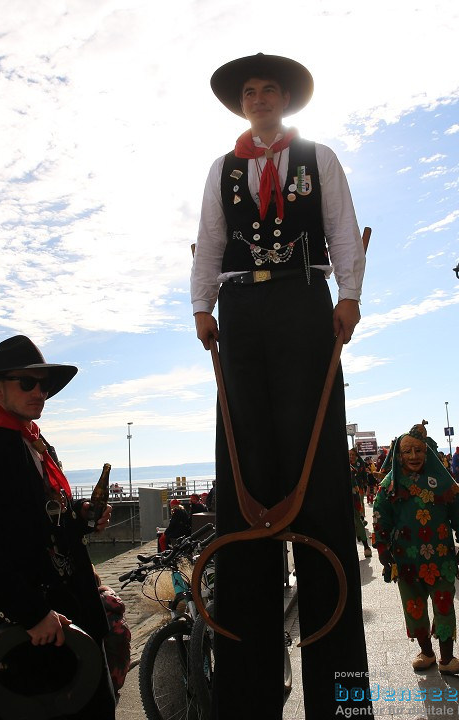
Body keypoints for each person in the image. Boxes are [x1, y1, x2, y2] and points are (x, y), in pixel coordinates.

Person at [189, 52, 371, 718]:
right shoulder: (223, 168)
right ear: (242, 104)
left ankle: (341, 700)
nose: (260, 98)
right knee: (246, 480)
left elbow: (342, 231)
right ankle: (248, 696)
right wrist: (202, 307)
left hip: (302, 302)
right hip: (240, 312)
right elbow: (210, 240)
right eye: (250, 91)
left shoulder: (319, 157)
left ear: (287, 99)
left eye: (270, 89)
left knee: (319, 479)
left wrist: (348, 296)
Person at [0, 335, 116, 720]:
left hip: (74, 620)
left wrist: (81, 518)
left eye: (45, 385)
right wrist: (32, 614)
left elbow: (42, 523)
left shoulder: (36, 445)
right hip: (25, 632)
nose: (40, 392)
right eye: (28, 383)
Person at [372, 423, 459, 675]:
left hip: (442, 557)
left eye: (419, 451)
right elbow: (380, 518)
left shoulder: (444, 482)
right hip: (405, 559)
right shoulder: (390, 485)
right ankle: (426, 652)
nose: (413, 456)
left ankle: (447, 658)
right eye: (407, 451)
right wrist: (382, 550)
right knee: (414, 606)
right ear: (398, 455)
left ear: (427, 453)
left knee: (444, 604)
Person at [349, 448, 373, 558]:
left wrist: (365, 486)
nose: (351, 456)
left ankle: (366, 546)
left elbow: (364, 476)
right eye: (350, 454)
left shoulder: (357, 465)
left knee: (357, 519)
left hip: (355, 493)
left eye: (353, 454)